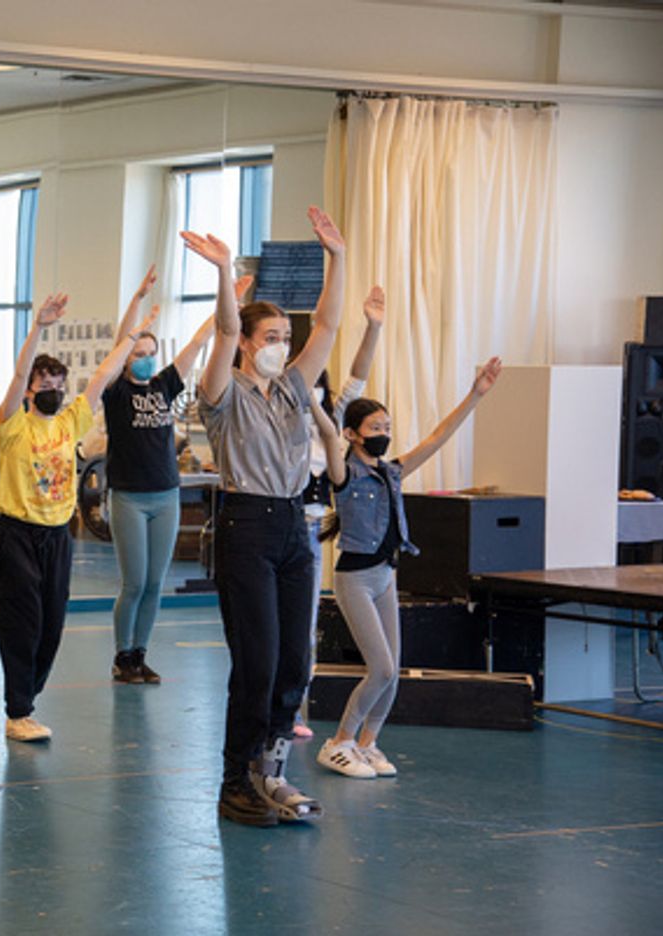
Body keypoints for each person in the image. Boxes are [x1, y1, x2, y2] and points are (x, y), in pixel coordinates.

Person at [186, 206, 347, 827]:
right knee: (255, 663)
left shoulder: (295, 388)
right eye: (271, 337)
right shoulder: (224, 394)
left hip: (293, 525)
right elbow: (225, 331)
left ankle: (270, 772)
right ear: (250, 346)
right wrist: (226, 272)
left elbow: (329, 325)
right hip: (245, 524)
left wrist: (337, 258)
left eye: (286, 336)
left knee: (294, 664)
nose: (282, 345)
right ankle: (235, 781)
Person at [316, 358, 503, 778]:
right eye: (374, 429)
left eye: (386, 428)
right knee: (379, 667)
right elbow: (329, 437)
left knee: (393, 672)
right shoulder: (345, 474)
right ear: (352, 434)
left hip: (386, 574)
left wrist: (475, 395)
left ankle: (368, 744)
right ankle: (339, 741)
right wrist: (318, 404)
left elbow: (439, 437)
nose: (383, 435)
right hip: (355, 578)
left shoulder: (394, 472)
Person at [0, 292, 158, 743]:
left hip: (57, 536)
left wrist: (133, 334)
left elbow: (104, 374)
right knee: (22, 621)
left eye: (58, 385)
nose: (53, 391)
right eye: (44, 385)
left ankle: (28, 699)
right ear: (30, 389)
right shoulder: (13, 425)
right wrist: (39, 328)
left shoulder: (69, 422)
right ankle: (18, 709)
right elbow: (18, 374)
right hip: (18, 533)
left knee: (51, 624)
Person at [104, 264, 216, 684]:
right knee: (133, 583)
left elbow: (198, 342)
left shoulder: (164, 385)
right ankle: (121, 657)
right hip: (129, 496)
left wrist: (228, 298)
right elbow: (121, 342)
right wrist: (137, 302)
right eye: (139, 352)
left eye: (151, 351)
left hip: (165, 494)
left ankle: (140, 654)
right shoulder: (116, 391)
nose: (146, 358)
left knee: (155, 584)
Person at [293, 285, 385, 738]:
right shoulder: (284, 415)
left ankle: (294, 707)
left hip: (311, 526)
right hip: (282, 520)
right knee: (281, 621)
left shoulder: (333, 419)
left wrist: (374, 327)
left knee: (306, 623)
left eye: (317, 383)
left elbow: (359, 375)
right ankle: (277, 702)